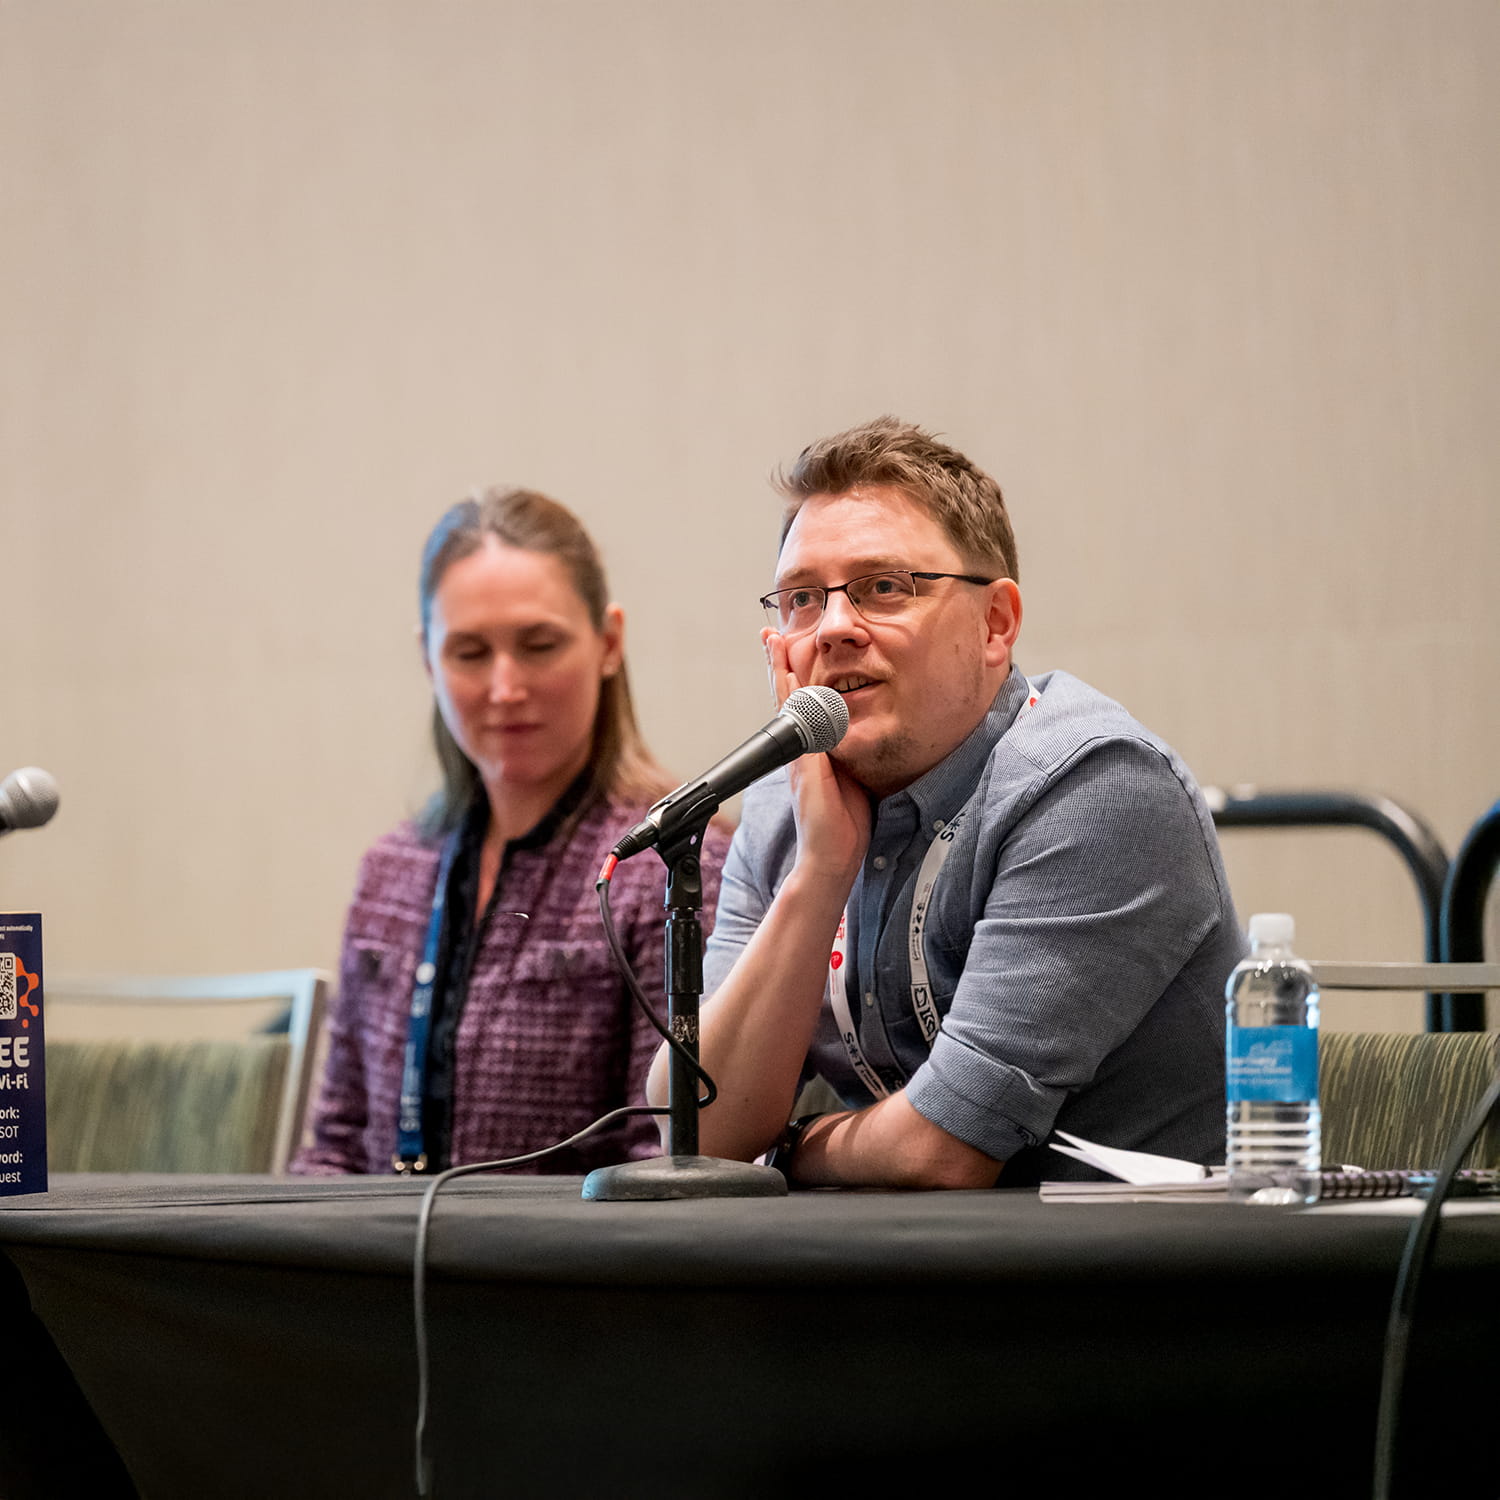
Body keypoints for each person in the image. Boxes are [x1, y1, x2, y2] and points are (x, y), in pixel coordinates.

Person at [651, 418, 1244, 1189]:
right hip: (902, 1278)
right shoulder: (785, 805)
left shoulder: (1097, 786)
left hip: (1125, 1287)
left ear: (995, 623)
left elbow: (941, 1150)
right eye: (802, 598)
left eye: (883, 588)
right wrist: (822, 870)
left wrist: (791, 1148)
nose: (833, 628)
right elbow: (696, 1129)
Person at [295, 487, 729, 1176]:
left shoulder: (672, 866)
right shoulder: (390, 872)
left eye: (539, 644)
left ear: (608, 642)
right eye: (469, 652)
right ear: (427, 659)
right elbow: (335, 1148)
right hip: (374, 1268)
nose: (505, 687)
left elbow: (665, 1161)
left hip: (567, 1274)